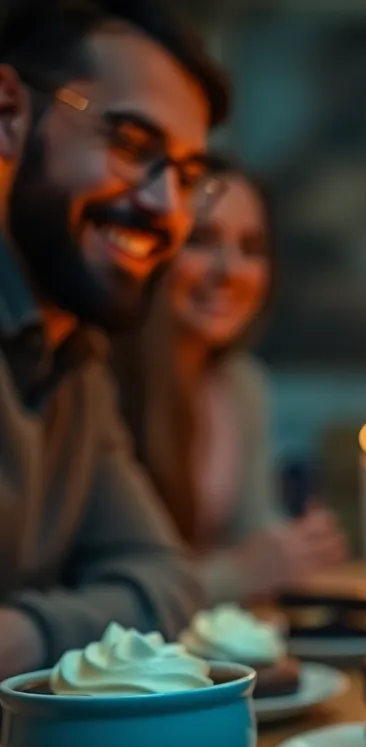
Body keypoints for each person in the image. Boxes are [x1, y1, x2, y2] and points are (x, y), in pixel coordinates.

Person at [0, 0, 229, 679]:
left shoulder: (76, 359)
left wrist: (20, 635)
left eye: (189, 177)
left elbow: (167, 585)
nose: (167, 208)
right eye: (131, 145)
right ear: (9, 114)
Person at [112, 157, 347, 604]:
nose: (230, 270)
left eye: (252, 248)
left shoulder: (242, 387)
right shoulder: (100, 386)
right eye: (200, 240)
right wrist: (236, 573)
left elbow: (258, 538)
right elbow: (95, 592)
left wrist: (298, 550)